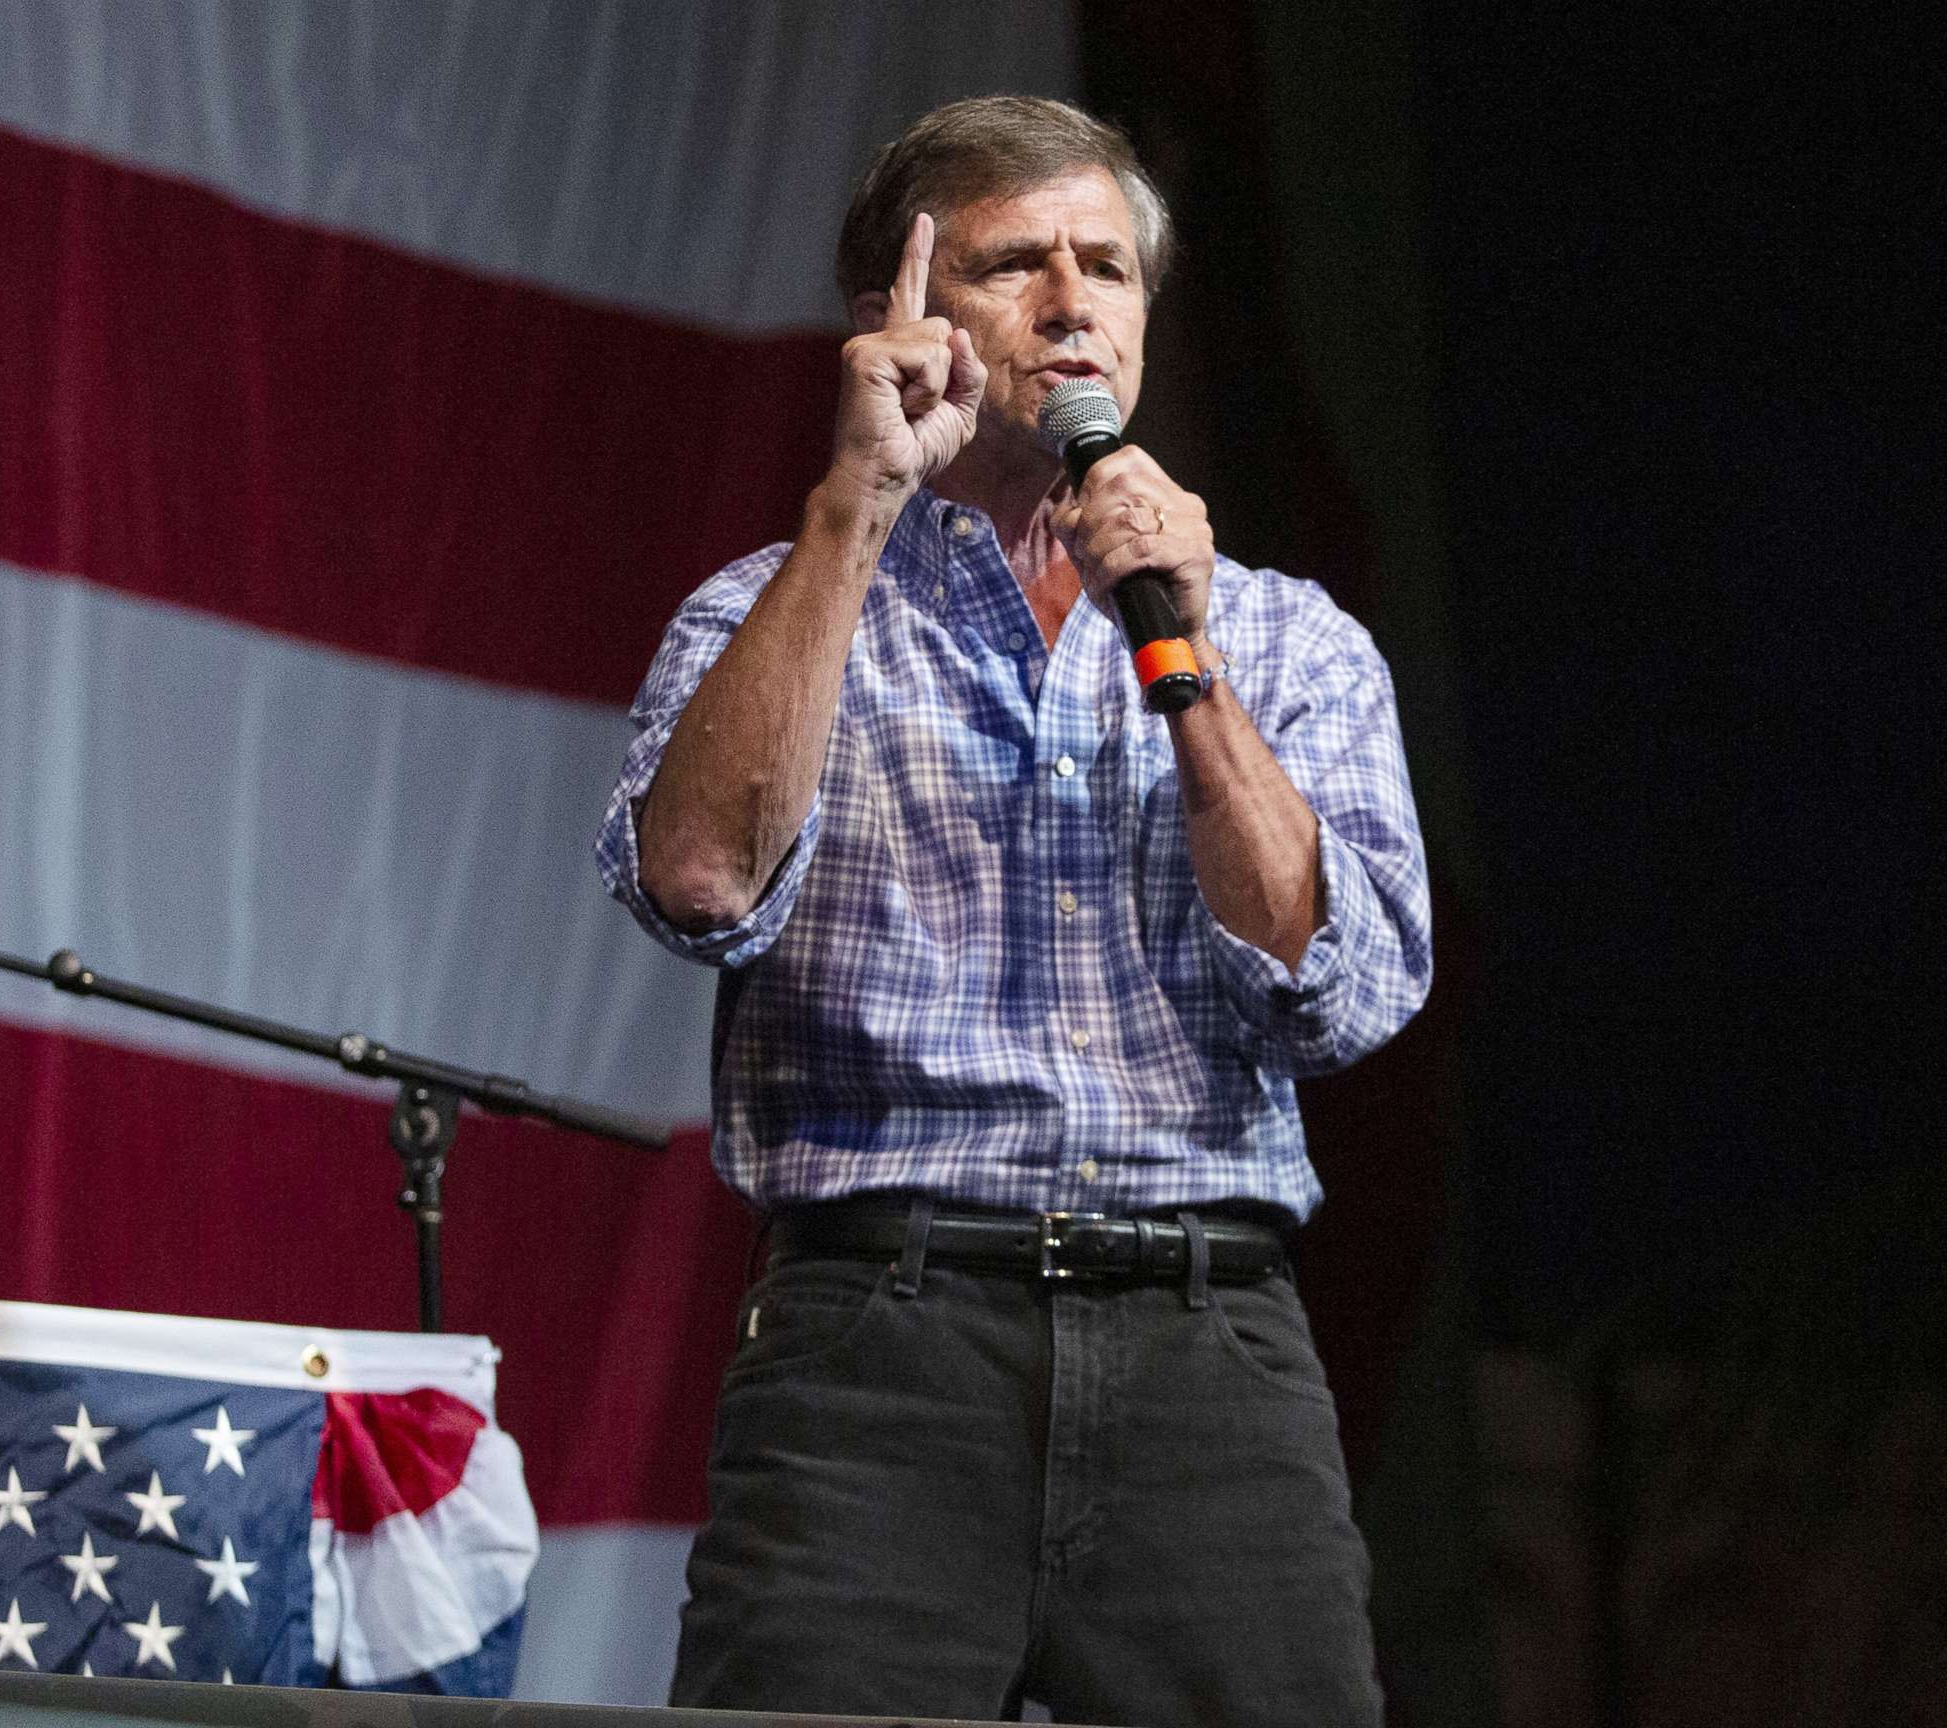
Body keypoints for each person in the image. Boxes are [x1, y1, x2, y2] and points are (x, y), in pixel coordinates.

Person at [596, 97, 1431, 1726]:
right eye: (1012, 263)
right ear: (900, 318)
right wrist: (854, 501)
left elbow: (1337, 992)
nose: (1070, 303)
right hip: (879, 1351)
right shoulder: (765, 613)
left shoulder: (1292, 642)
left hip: (1211, 1350)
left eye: (1106, 266)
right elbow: (698, 882)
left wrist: (1179, 654)